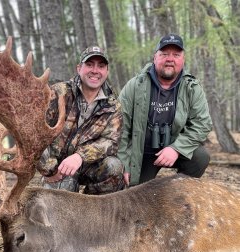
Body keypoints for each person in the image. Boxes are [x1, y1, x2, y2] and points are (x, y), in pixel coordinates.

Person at [118, 34, 212, 187]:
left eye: (176, 55)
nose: (170, 59)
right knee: (135, 195)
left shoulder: (192, 87)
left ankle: (179, 192)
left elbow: (203, 124)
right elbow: (120, 127)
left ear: (183, 59)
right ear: (155, 57)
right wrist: (124, 163)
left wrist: (176, 148)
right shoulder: (135, 85)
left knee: (200, 157)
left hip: (176, 149)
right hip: (142, 152)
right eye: (164, 54)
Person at [38, 46, 124, 194]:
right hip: (58, 167)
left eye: (101, 66)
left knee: (113, 167)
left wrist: (80, 156)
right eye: (89, 65)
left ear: (107, 71)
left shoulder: (113, 106)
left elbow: (111, 142)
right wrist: (49, 169)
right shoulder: (58, 93)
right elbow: (37, 132)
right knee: (58, 205)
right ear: (79, 68)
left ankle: (93, 208)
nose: (95, 71)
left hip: (88, 165)